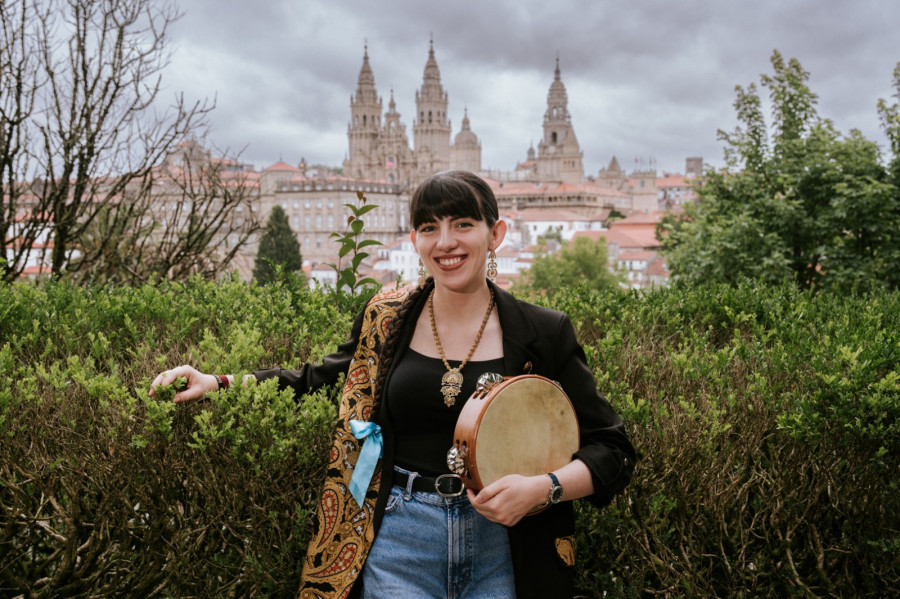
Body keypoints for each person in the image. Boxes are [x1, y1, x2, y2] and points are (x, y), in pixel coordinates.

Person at [150, 170, 636, 599]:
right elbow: (322, 377)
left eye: (463, 224)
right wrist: (220, 382)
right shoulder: (387, 318)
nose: (445, 241)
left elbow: (612, 449)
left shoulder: (543, 331)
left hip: (507, 546)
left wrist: (542, 490)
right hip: (400, 536)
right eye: (430, 228)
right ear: (414, 240)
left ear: (497, 233)